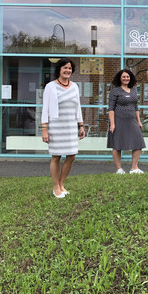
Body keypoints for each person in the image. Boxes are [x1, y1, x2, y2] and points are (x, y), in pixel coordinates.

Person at [41, 58, 85, 198]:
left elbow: (77, 107)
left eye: (70, 68)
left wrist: (81, 125)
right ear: (59, 70)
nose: (68, 70)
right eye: (65, 68)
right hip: (56, 125)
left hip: (70, 125)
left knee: (72, 155)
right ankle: (55, 187)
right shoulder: (50, 86)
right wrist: (44, 128)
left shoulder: (75, 87)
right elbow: (45, 108)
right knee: (56, 156)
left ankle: (61, 184)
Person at [107, 69, 146, 174]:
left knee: (138, 143)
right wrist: (112, 124)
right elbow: (111, 108)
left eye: (127, 77)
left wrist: (139, 121)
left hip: (132, 120)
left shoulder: (133, 90)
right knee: (117, 144)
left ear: (130, 78)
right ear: (120, 78)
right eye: (124, 77)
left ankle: (134, 168)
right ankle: (119, 169)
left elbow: (136, 107)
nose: (126, 78)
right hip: (118, 120)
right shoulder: (115, 91)